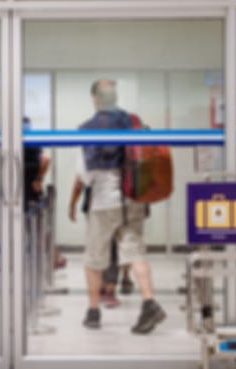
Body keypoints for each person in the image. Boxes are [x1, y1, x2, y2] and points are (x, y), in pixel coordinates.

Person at [68, 79, 166, 333]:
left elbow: (85, 175)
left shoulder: (88, 128)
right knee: (135, 253)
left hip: (102, 203)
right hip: (133, 199)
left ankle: (93, 312)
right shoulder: (132, 123)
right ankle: (149, 302)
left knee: (94, 258)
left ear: (95, 99)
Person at [23, 117, 66, 269]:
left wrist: (38, 179)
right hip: (28, 189)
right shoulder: (32, 142)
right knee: (36, 226)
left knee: (37, 226)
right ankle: (53, 256)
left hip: (28, 190)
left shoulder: (27, 144)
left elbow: (46, 159)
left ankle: (55, 256)